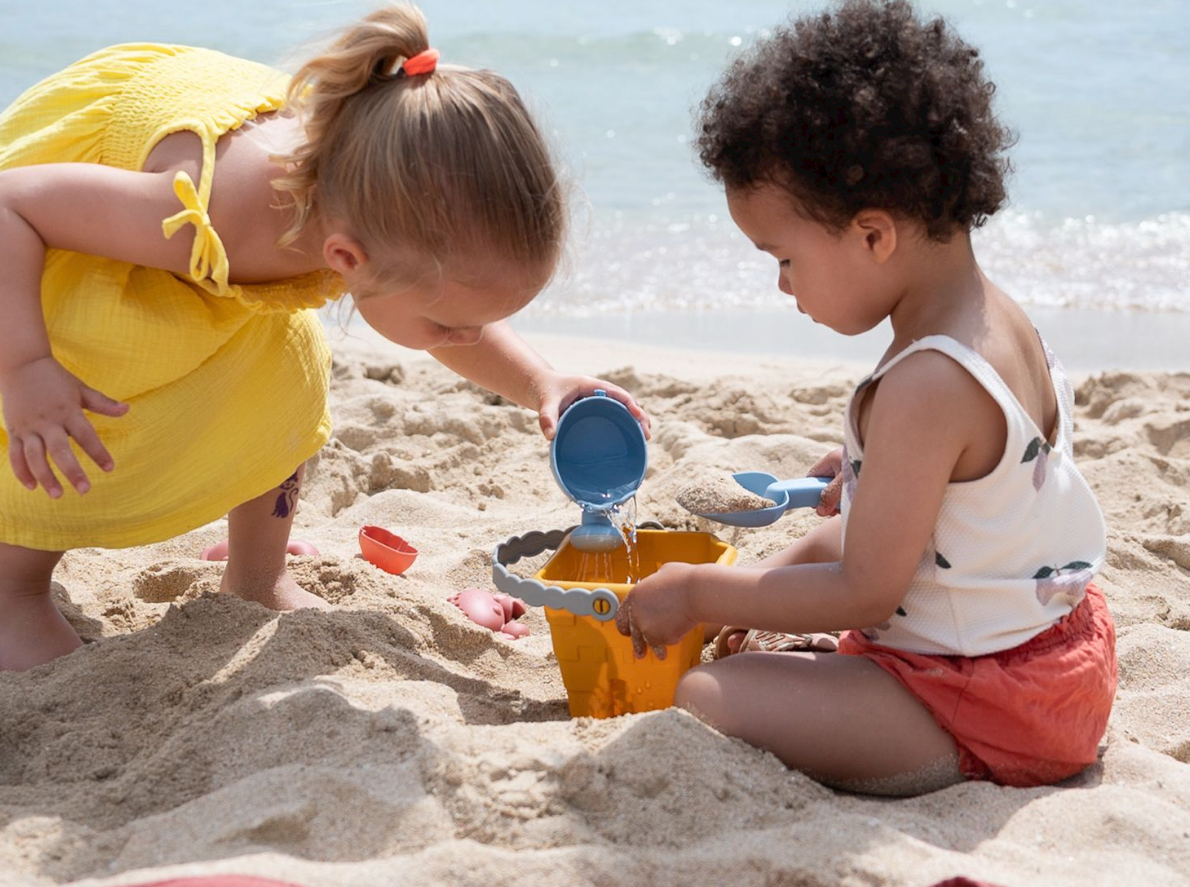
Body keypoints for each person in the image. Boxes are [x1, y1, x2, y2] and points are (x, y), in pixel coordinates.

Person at [0, 3, 648, 671]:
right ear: (344, 261)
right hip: (55, 239)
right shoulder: (202, 214)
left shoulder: (374, 209)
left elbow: (442, 317)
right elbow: (11, 202)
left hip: (226, 232)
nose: (466, 336)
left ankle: (257, 577)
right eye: (451, 325)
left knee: (285, 372)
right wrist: (25, 368)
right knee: (101, 365)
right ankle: (12, 592)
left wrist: (542, 381)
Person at [615, 0, 1115, 795]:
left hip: (981, 700)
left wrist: (700, 592)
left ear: (874, 235)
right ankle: (824, 660)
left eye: (783, 258)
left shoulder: (925, 384)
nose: (782, 285)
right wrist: (871, 471)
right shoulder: (995, 319)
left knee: (709, 694)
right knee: (832, 536)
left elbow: (867, 590)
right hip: (1054, 653)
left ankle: (945, 754)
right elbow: (978, 494)